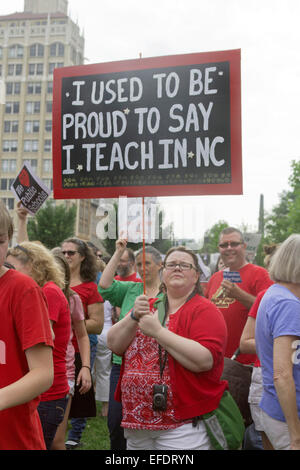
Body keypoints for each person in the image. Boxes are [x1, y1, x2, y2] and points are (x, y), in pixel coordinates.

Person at [107, 245, 228, 450]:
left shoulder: (204, 309)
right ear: (163, 274)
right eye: (172, 264)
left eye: (185, 265)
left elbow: (205, 360)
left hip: (181, 426)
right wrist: (134, 316)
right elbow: (114, 344)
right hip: (137, 423)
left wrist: (159, 332)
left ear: (196, 276)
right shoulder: (149, 305)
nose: (177, 268)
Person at [7, 241, 71, 450]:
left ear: (33, 266)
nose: (8, 273)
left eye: (13, 268)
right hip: (50, 385)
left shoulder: (46, 292)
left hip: (47, 390)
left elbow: (46, 333)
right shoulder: (47, 288)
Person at [0, 202, 54, 450]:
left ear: (9, 240)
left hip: (14, 436)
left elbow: (43, 374)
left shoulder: (23, 289)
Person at [98, 241, 161, 450]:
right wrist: (117, 253)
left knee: (151, 422)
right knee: (116, 422)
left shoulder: (167, 293)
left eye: (148, 263)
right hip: (122, 364)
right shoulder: (130, 288)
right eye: (140, 264)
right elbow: (104, 286)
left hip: (155, 367)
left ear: (160, 265)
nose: (143, 268)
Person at [255, 234, 300, 450]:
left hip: (276, 408)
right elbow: (282, 374)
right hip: (288, 416)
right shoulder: (287, 304)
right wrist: (296, 436)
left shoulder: (275, 294)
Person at [205, 227, 272, 364]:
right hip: (216, 360)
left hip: (247, 363)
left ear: (244, 246)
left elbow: (271, 312)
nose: (229, 248)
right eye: (224, 245)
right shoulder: (215, 278)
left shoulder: (260, 274)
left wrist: (239, 295)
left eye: (234, 244)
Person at [61, 237, 104, 449]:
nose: (66, 256)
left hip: (81, 347)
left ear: (82, 257)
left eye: (71, 253)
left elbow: (97, 324)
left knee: (81, 390)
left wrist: (70, 324)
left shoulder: (89, 287)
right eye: (64, 252)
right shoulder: (57, 282)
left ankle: (75, 434)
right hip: (59, 348)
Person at [51, 252, 92, 450]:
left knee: (57, 440)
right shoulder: (32, 295)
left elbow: (82, 335)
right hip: (33, 372)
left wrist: (85, 367)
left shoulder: (72, 298)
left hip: (63, 372)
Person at [240, 244, 277, 450]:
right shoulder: (265, 296)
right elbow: (245, 343)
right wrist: (283, 346)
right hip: (266, 375)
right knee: (268, 440)